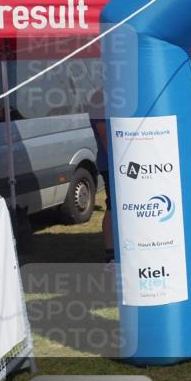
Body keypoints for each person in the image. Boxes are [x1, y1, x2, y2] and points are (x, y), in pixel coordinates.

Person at [87, 89, 114, 264]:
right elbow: (105, 135)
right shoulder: (99, 98)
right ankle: (111, 253)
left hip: (125, 163)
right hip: (111, 163)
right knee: (113, 206)